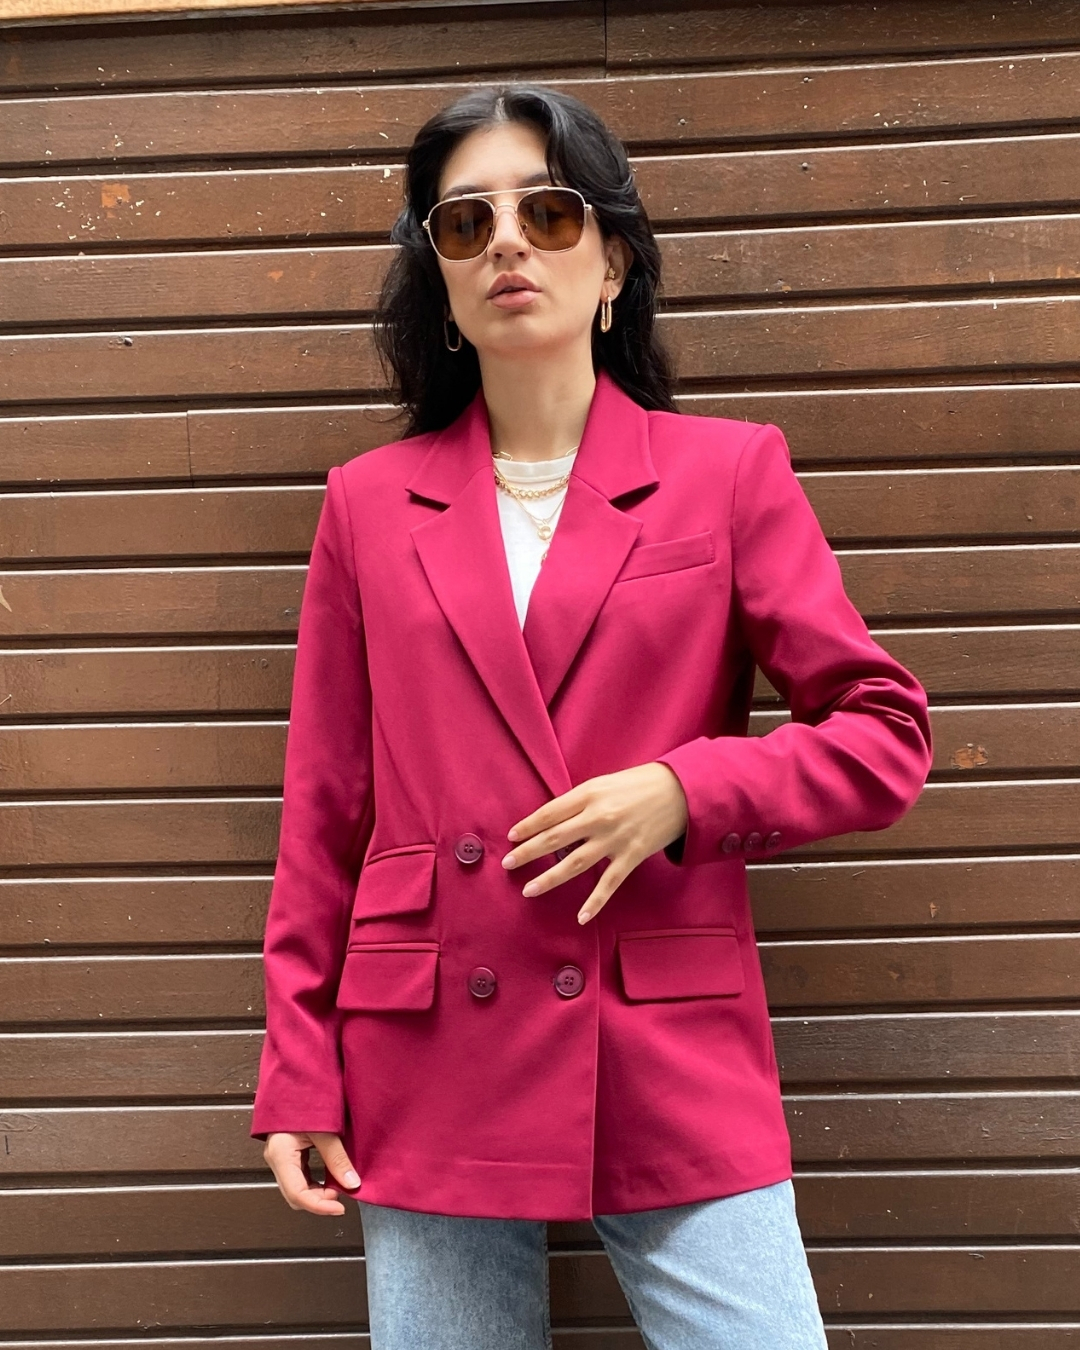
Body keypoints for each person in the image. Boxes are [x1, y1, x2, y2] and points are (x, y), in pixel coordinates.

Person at [251, 83, 933, 1349]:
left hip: (663, 1035)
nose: (508, 242)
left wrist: (686, 791)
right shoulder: (367, 504)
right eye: (466, 224)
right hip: (427, 1040)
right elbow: (324, 808)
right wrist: (298, 1064)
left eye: (550, 212)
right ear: (441, 280)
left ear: (613, 260)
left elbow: (884, 732)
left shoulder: (725, 473)